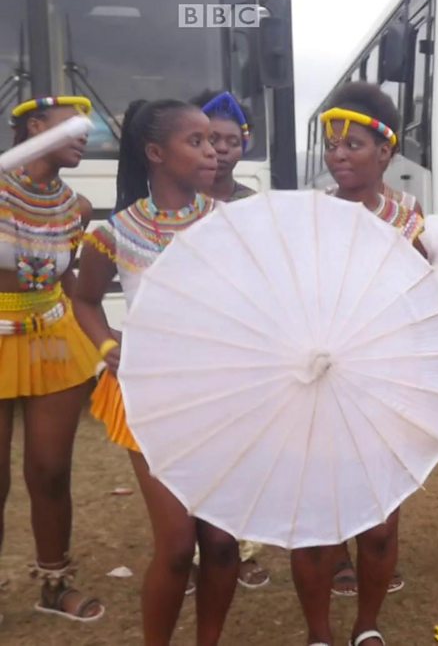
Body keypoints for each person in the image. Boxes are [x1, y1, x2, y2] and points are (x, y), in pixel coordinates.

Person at [74, 99, 237, 644]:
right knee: (175, 547)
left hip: (223, 399)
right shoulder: (115, 233)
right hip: (151, 399)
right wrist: (104, 344)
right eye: (196, 141)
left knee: (220, 544)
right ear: (155, 153)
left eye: (213, 140)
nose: (212, 150)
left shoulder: (229, 224)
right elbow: (85, 300)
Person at [289, 82, 423, 646]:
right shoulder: (305, 216)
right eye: (332, 145)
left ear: (386, 151)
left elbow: (421, 302)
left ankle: (366, 628)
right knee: (316, 522)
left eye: (354, 145)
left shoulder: (414, 221)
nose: (338, 156)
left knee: (379, 522)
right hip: (311, 382)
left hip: (381, 386)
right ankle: (319, 633)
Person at [1, 95, 104, 622]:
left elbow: (69, 283)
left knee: (50, 470)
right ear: (34, 127)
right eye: (74, 127)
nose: (87, 136)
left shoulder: (77, 208)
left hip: (53, 337)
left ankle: (54, 581)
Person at [186, 90, 269, 594]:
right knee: (197, 452)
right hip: (193, 345)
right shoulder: (175, 202)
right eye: (208, 139)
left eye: (230, 140)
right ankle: (197, 551)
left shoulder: (253, 206)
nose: (219, 150)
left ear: (245, 145)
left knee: (244, 451)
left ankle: (241, 548)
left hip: (244, 345)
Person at [193, 91, 256, 202]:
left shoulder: (255, 205)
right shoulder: (171, 204)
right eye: (212, 140)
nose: (222, 148)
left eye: (233, 142)